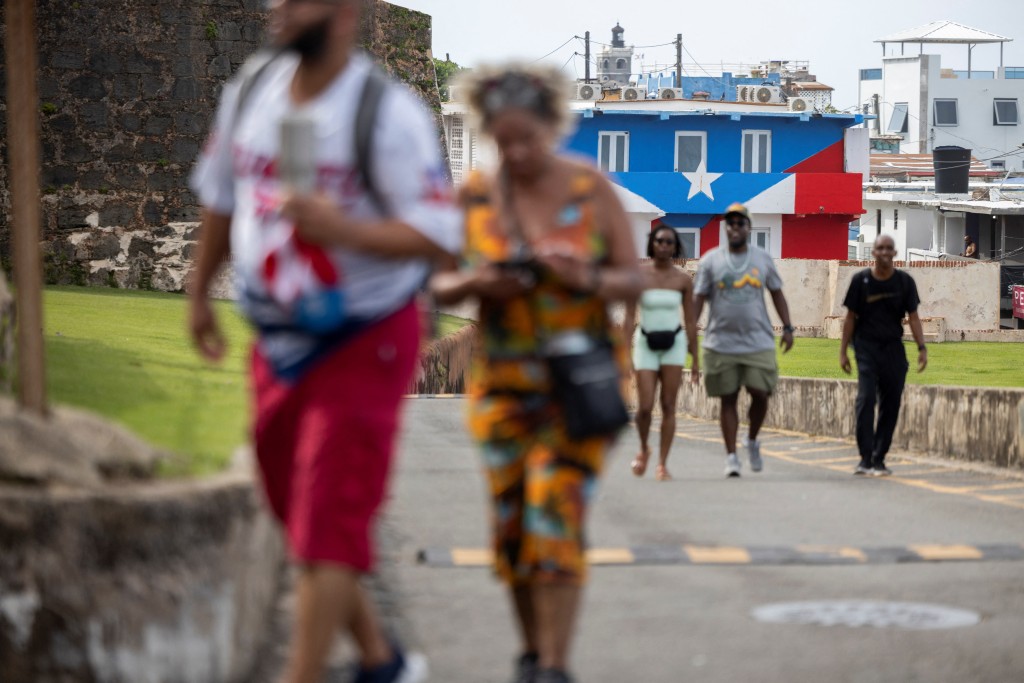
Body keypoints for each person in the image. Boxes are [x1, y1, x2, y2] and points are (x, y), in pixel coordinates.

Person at [187, 1, 461, 682]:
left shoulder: (387, 114)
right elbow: (223, 197)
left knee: (328, 514)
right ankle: (381, 659)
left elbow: (438, 234)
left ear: (343, 11)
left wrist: (346, 231)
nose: (277, 7)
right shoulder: (251, 92)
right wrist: (198, 292)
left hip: (365, 335)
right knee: (292, 504)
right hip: (279, 337)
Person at [430, 65, 643, 683]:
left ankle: (554, 665)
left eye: (529, 138)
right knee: (513, 530)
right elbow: (439, 279)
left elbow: (633, 276)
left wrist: (584, 275)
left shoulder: (587, 188)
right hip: (500, 388)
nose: (517, 151)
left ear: (551, 126)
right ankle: (531, 654)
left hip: (576, 386)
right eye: (504, 139)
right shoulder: (472, 195)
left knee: (556, 514)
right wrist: (477, 280)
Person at [693, 203, 794, 478]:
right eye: (731, 223)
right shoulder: (710, 261)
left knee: (760, 393)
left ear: (748, 228)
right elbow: (698, 299)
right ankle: (731, 457)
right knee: (728, 399)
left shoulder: (762, 259)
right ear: (726, 228)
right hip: (720, 342)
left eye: (740, 223)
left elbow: (777, 293)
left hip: (757, 341)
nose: (735, 227)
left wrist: (788, 327)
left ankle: (751, 440)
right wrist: (689, 328)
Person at [839, 234, 928, 476]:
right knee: (866, 400)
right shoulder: (861, 280)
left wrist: (922, 348)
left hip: (893, 348)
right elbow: (850, 318)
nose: (885, 252)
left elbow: (914, 317)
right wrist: (843, 351)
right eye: (881, 248)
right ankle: (865, 458)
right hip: (866, 347)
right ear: (874, 253)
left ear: (894, 253)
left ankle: (879, 458)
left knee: (892, 403)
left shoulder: (904, 282)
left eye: (889, 248)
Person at [622, 224, 700, 481]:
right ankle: (644, 448)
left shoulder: (683, 280)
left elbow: (690, 321)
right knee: (644, 406)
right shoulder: (639, 276)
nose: (664, 246)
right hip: (645, 343)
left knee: (668, 405)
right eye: (659, 241)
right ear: (652, 245)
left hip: (674, 344)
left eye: (669, 242)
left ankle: (662, 464)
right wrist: (624, 354)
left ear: (675, 246)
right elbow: (629, 316)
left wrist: (696, 359)